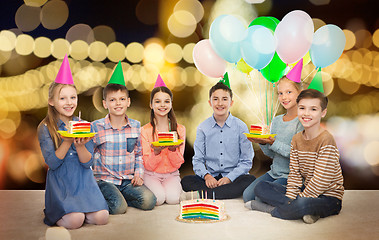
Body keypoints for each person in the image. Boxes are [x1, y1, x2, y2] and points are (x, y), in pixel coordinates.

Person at [245, 89, 344, 224]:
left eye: (313, 109)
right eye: (302, 108)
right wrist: (291, 197)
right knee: (260, 187)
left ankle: (272, 209)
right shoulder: (297, 139)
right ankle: (300, 210)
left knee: (303, 204)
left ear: (323, 112)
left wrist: (299, 200)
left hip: (328, 197)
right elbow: (295, 174)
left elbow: (320, 180)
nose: (306, 113)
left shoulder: (326, 139)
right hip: (303, 191)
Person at [38, 56, 108, 229]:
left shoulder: (86, 126)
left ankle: (82, 209)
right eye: (62, 98)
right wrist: (67, 141)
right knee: (74, 221)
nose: (69, 103)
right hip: (62, 184)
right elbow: (53, 164)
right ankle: (59, 211)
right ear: (51, 101)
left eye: (73, 97)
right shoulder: (46, 127)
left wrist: (80, 145)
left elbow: (88, 163)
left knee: (102, 217)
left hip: (84, 182)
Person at [91, 62, 156, 214]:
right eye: (112, 100)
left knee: (149, 201)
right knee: (119, 208)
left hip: (127, 181)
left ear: (128, 102)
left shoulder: (135, 126)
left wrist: (139, 175)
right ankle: (98, 200)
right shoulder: (97, 127)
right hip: (106, 181)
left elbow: (139, 154)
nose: (117, 103)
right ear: (105, 104)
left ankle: (120, 197)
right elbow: (89, 155)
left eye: (121, 99)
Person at [181, 76, 255, 199]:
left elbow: (246, 161)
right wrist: (207, 176)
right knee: (186, 181)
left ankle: (204, 194)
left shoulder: (241, 127)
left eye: (224, 99)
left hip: (234, 178)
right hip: (211, 178)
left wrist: (229, 178)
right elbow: (198, 160)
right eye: (216, 99)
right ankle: (222, 193)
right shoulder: (203, 128)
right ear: (210, 103)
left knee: (249, 180)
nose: (220, 103)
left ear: (231, 103)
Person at [243, 76, 303, 202]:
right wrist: (262, 142)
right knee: (247, 196)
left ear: (300, 93)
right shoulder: (276, 121)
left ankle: (295, 198)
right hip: (274, 173)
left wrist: (273, 142)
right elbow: (271, 154)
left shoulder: (302, 122)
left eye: (289, 92)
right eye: (280, 93)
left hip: (291, 177)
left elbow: (297, 154)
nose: (284, 97)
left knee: (261, 197)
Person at [141, 75, 186, 205]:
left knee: (173, 199)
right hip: (151, 175)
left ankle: (179, 192)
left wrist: (173, 150)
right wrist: (156, 152)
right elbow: (147, 165)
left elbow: (178, 163)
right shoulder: (145, 131)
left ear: (171, 104)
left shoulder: (180, 130)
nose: (162, 105)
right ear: (151, 105)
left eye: (167, 101)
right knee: (159, 199)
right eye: (157, 101)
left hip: (172, 174)